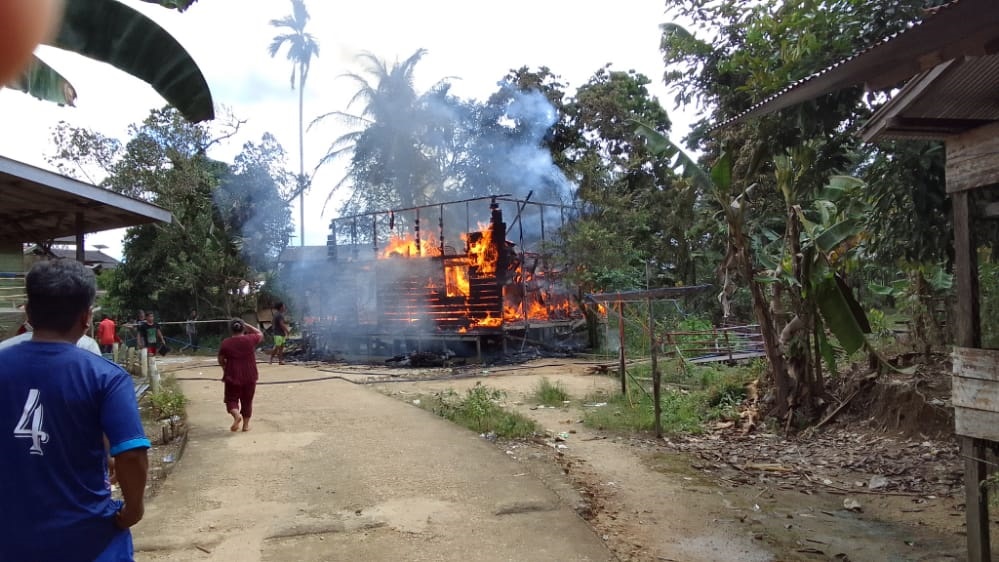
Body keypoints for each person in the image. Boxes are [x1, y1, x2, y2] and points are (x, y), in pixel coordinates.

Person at [0, 259, 150, 561]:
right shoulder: (105, 376)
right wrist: (133, 510)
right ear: (86, 318)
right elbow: (131, 454)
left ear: (28, 314)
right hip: (90, 539)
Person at [218, 318, 263, 432]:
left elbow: (221, 359)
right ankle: (246, 426)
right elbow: (260, 334)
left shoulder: (226, 343)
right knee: (247, 400)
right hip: (250, 374)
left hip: (232, 375)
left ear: (231, 330)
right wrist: (246, 324)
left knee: (231, 399)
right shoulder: (250, 339)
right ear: (243, 328)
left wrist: (224, 368)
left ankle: (237, 416)